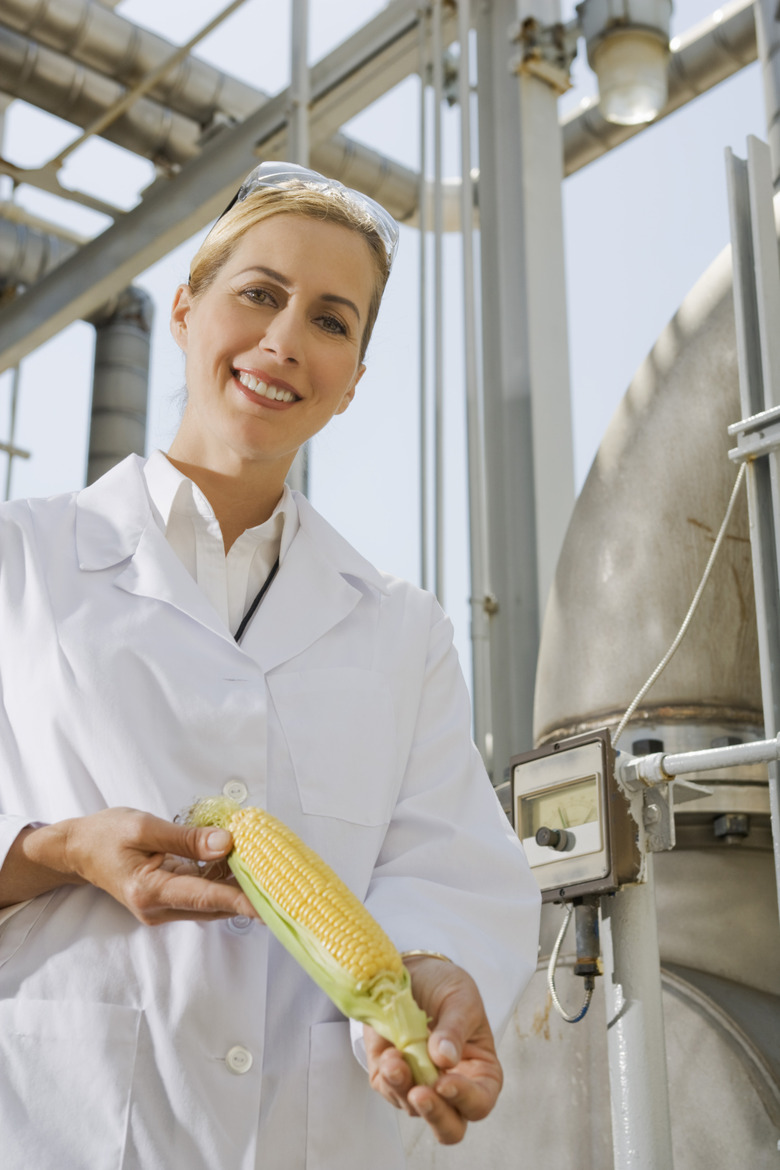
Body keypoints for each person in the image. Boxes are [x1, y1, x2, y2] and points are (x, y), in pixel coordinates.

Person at [0, 162, 540, 1169]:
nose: (286, 340)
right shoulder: (20, 561)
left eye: (333, 321)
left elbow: (452, 870)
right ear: (185, 309)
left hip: (317, 1133)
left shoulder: (402, 629)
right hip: (54, 1124)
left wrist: (425, 969)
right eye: (259, 294)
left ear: (353, 385)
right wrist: (51, 851)